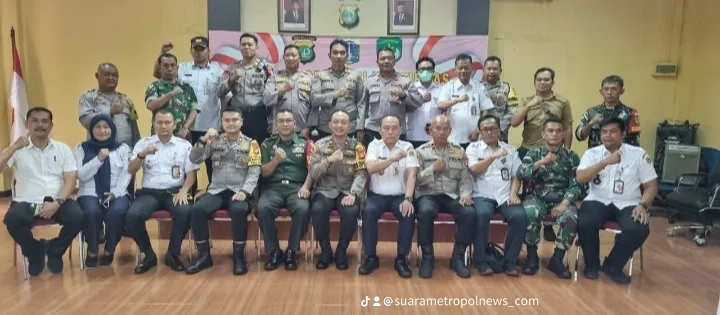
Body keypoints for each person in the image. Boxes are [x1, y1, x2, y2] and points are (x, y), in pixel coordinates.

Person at [1, 107, 84, 276]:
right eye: (35, 121)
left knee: (78, 216)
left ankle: (55, 251)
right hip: (26, 201)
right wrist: (14, 146)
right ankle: (35, 253)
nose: (40, 125)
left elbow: (70, 179)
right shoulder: (18, 150)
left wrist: (58, 202)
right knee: (12, 219)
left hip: (57, 199)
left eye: (45, 121)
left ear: (51, 125)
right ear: (27, 124)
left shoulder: (62, 149)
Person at [576, 117, 656, 285]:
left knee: (638, 228)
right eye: (604, 132)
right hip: (598, 199)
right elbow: (581, 178)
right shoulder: (592, 154)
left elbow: (651, 186)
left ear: (623, 134)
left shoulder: (638, 155)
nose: (607, 135)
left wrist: (643, 205)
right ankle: (591, 265)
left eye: (613, 131)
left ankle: (613, 265)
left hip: (629, 202)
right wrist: (605, 162)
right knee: (585, 222)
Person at [185, 108, 261, 275]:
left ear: (241, 121)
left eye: (234, 120)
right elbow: (194, 158)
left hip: (239, 191)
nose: (231, 123)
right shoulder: (214, 141)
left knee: (239, 210)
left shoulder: (251, 144)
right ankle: (204, 255)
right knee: (197, 209)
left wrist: (245, 191)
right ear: (222, 122)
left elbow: (254, 171)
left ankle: (239, 256)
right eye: (227, 120)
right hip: (217, 190)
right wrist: (203, 140)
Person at [125, 109, 200, 274]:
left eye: (167, 122)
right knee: (132, 215)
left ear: (174, 124)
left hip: (174, 192)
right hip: (149, 193)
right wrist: (142, 155)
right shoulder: (143, 143)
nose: (164, 126)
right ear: (153, 124)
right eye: (160, 122)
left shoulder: (184, 146)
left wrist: (184, 191)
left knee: (185, 211)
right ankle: (149, 255)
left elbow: (191, 175)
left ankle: (172, 254)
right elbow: (131, 169)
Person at [154, 36, 230, 185]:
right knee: (188, 165)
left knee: (212, 165)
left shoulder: (218, 71)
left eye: (202, 49)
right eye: (196, 49)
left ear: (209, 51)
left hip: (211, 125)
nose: (199, 52)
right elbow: (159, 74)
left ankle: (212, 195)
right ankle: (188, 196)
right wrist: (162, 53)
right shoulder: (181, 68)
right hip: (186, 127)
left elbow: (225, 98)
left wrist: (223, 122)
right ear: (191, 51)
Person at [516, 118, 581, 279]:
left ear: (564, 134)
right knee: (530, 212)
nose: (554, 134)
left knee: (571, 217)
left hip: (562, 198)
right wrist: (541, 162)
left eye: (558, 131)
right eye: (550, 131)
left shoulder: (572, 157)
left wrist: (565, 204)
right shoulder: (533, 154)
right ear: (543, 134)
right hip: (537, 197)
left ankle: (557, 259)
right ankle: (532, 257)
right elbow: (520, 173)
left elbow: (577, 184)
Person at [414, 115, 475, 279]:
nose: (441, 132)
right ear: (430, 130)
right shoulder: (420, 151)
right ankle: (427, 257)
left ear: (450, 131)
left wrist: (465, 194)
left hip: (451, 195)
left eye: (445, 128)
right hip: (428, 193)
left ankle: (458, 257)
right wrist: (432, 169)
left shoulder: (459, 151)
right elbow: (414, 180)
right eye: (437, 128)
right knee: (425, 212)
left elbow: (465, 178)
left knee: (469, 213)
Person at [358, 115, 418, 278]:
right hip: (377, 195)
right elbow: (370, 168)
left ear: (400, 130)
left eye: (394, 128)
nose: (390, 131)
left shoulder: (408, 146)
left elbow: (412, 174)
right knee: (368, 211)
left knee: (408, 213)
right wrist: (392, 158)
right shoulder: (373, 145)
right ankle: (371, 257)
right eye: (386, 128)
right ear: (380, 130)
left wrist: (408, 198)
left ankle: (401, 258)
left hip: (400, 195)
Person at [465, 115, 525, 276]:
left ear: (499, 130)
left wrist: (514, 193)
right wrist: (493, 156)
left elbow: (516, 175)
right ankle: (481, 260)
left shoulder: (510, 149)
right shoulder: (473, 148)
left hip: (505, 195)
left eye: (493, 128)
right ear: (480, 132)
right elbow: (474, 170)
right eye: (485, 129)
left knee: (519, 216)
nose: (489, 132)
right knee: (482, 215)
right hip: (481, 195)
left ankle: (510, 261)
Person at [309, 110, 367, 270]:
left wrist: (353, 193)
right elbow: (313, 173)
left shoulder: (358, 147)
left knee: (350, 212)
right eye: (336, 122)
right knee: (318, 209)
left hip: (347, 191)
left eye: (343, 122)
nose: (339, 125)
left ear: (350, 126)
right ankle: (326, 251)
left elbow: (361, 174)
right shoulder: (319, 145)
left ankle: (341, 251)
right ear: (329, 125)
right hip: (324, 189)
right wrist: (328, 160)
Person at [256, 110, 314, 271]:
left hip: (297, 187)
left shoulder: (306, 143)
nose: (285, 124)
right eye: (281, 121)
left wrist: (306, 187)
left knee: (302, 209)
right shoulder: (267, 144)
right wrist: (275, 160)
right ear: (276, 125)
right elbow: (264, 173)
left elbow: (313, 170)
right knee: (263, 208)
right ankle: (274, 251)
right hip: (273, 187)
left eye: (289, 120)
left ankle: (291, 251)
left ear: (295, 124)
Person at [74, 114, 132, 267]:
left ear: (112, 129)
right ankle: (92, 249)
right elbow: (81, 175)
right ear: (91, 129)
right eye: (98, 127)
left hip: (116, 191)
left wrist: (116, 193)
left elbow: (127, 173)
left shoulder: (122, 148)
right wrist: (98, 159)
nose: (102, 130)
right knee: (92, 212)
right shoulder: (82, 148)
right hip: (90, 191)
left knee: (117, 212)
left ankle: (110, 249)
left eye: (106, 127)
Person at [359, 47, 423, 147]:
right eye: (383, 58)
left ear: (394, 61)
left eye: (389, 58)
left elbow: (419, 101)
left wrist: (404, 95)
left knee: (397, 161)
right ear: (377, 62)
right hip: (373, 130)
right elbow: (362, 106)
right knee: (372, 161)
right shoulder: (369, 82)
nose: (386, 61)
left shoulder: (405, 81)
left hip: (396, 131)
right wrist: (360, 128)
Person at [217, 33, 273, 144]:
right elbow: (219, 92)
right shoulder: (232, 68)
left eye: (250, 44)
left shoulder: (266, 69)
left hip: (258, 116)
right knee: (237, 151)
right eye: (243, 44)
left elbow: (272, 96)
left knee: (257, 151)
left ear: (256, 48)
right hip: (237, 116)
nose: (246, 47)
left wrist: (271, 120)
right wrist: (232, 78)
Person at [309, 39, 364, 140]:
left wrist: (360, 127)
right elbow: (314, 100)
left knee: (350, 155)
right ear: (329, 55)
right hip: (326, 127)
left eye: (342, 53)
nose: (339, 56)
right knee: (325, 155)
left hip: (350, 127)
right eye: (335, 53)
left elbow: (361, 103)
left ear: (347, 56)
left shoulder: (355, 76)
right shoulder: (321, 76)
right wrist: (334, 95)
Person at [438, 54, 494, 149]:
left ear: (471, 68)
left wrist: (477, 131)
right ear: (455, 70)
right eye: (460, 68)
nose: (463, 71)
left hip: (474, 138)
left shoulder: (479, 87)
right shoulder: (449, 87)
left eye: (466, 68)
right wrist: (457, 100)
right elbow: (441, 105)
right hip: (453, 139)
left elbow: (486, 110)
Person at [145, 53, 201, 141]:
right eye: (166, 66)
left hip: (182, 134)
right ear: (160, 68)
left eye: (172, 65)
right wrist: (170, 94)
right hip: (159, 135)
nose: (169, 68)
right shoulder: (155, 86)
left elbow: (194, 108)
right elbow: (151, 105)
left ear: (177, 68)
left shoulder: (186, 87)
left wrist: (185, 127)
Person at [575, 75, 640, 149]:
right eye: (606, 89)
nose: (609, 92)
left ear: (622, 91)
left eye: (614, 89)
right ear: (601, 91)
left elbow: (635, 143)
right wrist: (591, 123)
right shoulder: (591, 112)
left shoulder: (630, 113)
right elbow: (579, 136)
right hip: (596, 157)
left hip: (621, 157)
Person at [263, 45, 315, 137]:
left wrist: (309, 128)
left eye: (293, 55)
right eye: (287, 55)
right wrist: (282, 90)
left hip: (301, 130)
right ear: (283, 58)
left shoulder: (309, 78)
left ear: (300, 58)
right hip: (279, 131)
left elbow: (314, 107)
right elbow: (266, 100)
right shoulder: (274, 78)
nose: (290, 58)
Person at [479, 56, 518, 143]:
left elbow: (512, 111)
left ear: (500, 71)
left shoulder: (508, 88)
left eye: (495, 69)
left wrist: (498, 130)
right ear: (484, 70)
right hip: (479, 135)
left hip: (500, 136)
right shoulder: (476, 88)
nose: (491, 71)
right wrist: (479, 130)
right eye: (489, 69)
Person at [407, 56, 442, 148]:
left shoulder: (442, 89)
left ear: (433, 72)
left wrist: (436, 124)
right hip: (414, 136)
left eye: (429, 69)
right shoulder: (410, 89)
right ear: (417, 72)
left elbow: (445, 113)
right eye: (422, 69)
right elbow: (405, 109)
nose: (425, 72)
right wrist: (420, 100)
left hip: (435, 137)